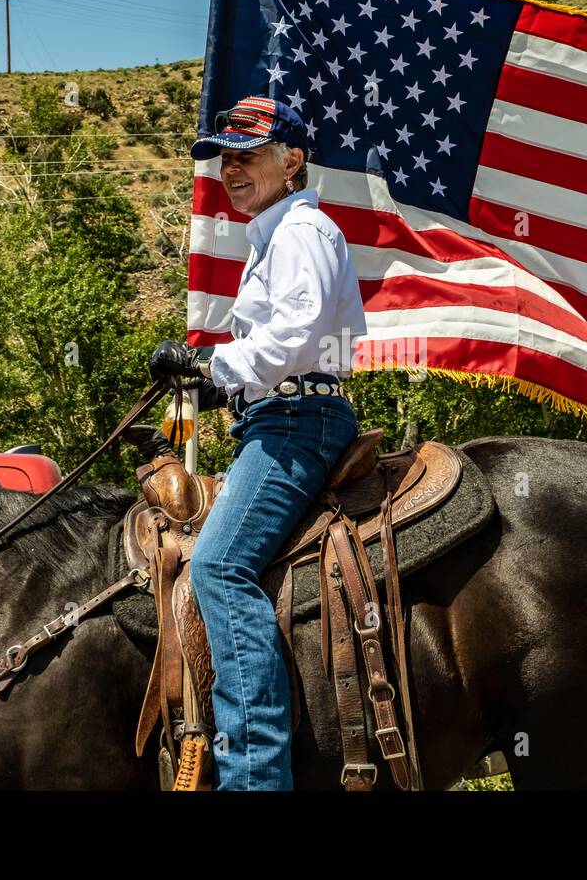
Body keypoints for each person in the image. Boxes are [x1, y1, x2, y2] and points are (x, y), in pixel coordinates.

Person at [147, 95, 367, 790]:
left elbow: (298, 333)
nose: (231, 171)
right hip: (276, 415)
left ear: (292, 159)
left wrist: (215, 368)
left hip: (297, 423)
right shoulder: (277, 234)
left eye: (247, 156)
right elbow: (276, 345)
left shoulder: (302, 229)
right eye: (225, 159)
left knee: (217, 569)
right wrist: (208, 383)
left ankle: (256, 777)